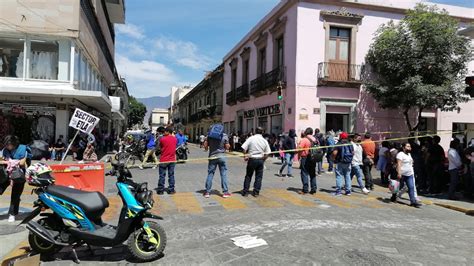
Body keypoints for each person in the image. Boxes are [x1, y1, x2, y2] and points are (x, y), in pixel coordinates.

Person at [0, 135, 32, 222]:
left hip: (19, 174)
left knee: (15, 195)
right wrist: (7, 161)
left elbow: (22, 162)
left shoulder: (23, 149)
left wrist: (11, 161)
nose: (7, 146)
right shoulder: (4, 150)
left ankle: (12, 214)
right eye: (6, 144)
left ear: (14, 144)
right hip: (6, 173)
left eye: (8, 144)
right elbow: (0, 160)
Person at [241, 127, 271, 197]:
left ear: (255, 131)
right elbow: (268, 152)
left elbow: (243, 147)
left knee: (248, 176)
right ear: (262, 132)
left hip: (252, 159)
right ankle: (256, 192)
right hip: (260, 159)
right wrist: (263, 160)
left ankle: (245, 192)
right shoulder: (264, 140)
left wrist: (245, 155)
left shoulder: (251, 138)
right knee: (259, 176)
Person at [203, 125, 231, 198]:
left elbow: (205, 147)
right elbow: (227, 146)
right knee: (223, 174)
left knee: (210, 173)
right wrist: (225, 146)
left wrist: (207, 147)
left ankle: (207, 192)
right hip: (222, 156)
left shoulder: (209, 136)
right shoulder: (224, 136)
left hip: (212, 156)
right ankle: (225, 192)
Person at [393, 142, 421, 208]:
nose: (409, 148)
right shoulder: (400, 154)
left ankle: (413, 202)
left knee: (411, 187)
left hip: (409, 174)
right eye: (408, 146)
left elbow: (411, 161)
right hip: (402, 174)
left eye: (410, 146)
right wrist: (399, 173)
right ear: (403, 147)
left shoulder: (409, 154)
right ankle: (394, 196)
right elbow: (399, 164)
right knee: (398, 187)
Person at [157, 127, 178, 195]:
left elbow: (159, 147)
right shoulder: (175, 139)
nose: (164, 133)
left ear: (168, 132)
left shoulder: (162, 139)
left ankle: (160, 190)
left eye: (165, 131)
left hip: (163, 160)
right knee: (171, 175)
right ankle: (171, 189)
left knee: (162, 175)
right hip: (172, 160)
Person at [298, 128, 318, 194]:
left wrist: (298, 156)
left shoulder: (304, 139)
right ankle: (313, 189)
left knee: (304, 173)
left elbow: (300, 149)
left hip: (305, 158)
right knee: (312, 173)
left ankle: (305, 189)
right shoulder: (315, 139)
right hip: (313, 158)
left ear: (306, 132)